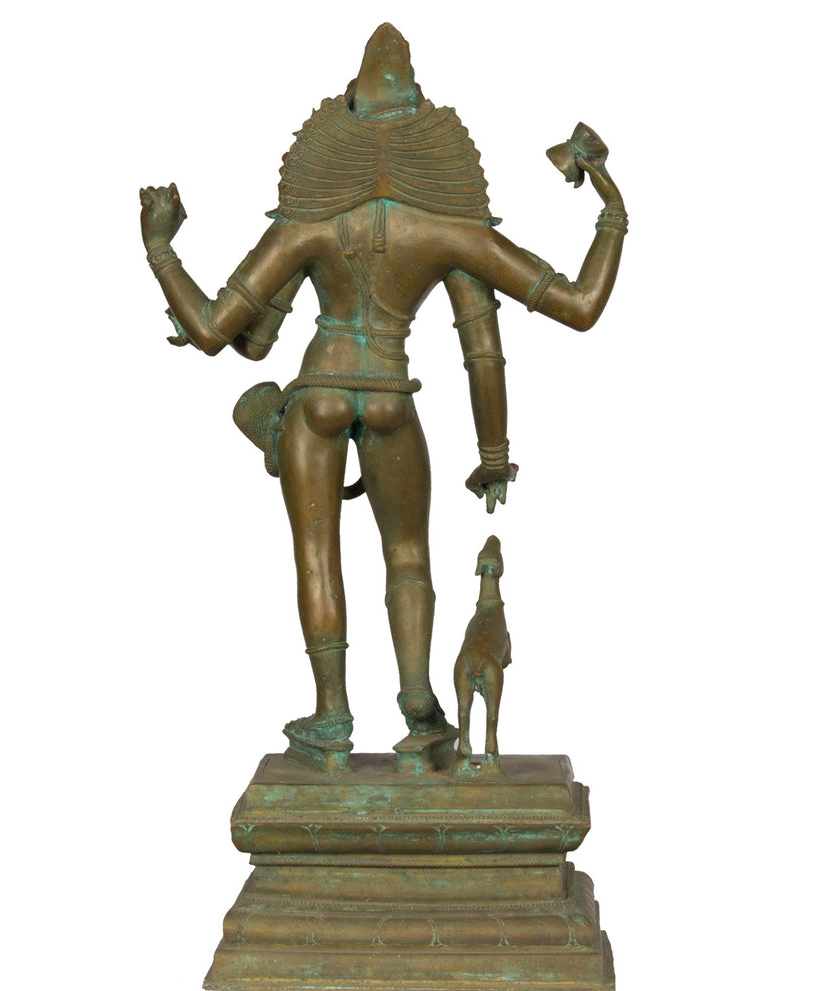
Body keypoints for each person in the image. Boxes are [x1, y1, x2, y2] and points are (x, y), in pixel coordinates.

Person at [139, 24, 626, 769]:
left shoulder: (309, 220)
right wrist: (611, 209)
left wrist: (161, 247)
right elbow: (549, 318)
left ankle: (331, 714)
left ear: (344, 125)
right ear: (423, 126)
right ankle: (420, 712)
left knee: (316, 551)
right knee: (408, 555)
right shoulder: (448, 227)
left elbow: (219, 332)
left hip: (319, 393)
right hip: (392, 395)